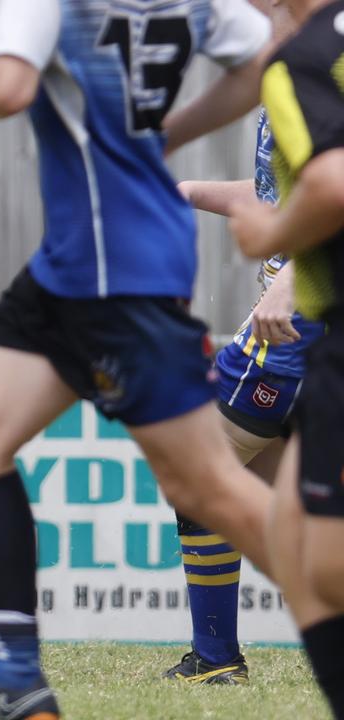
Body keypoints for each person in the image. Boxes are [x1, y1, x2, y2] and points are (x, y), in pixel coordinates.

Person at [0, 1, 272, 717]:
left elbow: (10, 87)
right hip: (71, 271)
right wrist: (162, 137)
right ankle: (16, 678)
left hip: (117, 281)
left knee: (213, 490)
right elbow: (258, 61)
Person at [163, 0, 322, 686]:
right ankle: (217, 656)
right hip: (297, 319)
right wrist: (188, 190)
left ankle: (216, 659)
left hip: (300, 326)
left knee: (199, 469)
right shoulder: (288, 67)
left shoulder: (322, 64)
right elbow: (278, 197)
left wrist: (290, 279)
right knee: (292, 514)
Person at [229, 0, 344, 714]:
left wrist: (281, 262)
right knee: (296, 542)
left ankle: (214, 657)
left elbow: (329, 186)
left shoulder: (300, 59)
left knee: (320, 569)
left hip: (324, 320)